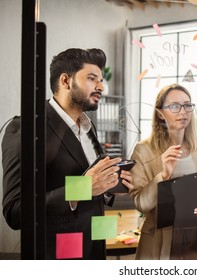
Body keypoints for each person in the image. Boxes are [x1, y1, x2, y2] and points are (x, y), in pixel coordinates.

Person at [2, 48, 133, 259]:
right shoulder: (25, 128)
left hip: (95, 247)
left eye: (100, 80)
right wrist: (83, 188)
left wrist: (110, 185)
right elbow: (15, 211)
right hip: (58, 255)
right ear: (65, 81)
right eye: (92, 79)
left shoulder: (89, 127)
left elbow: (89, 185)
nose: (101, 86)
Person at [130, 84, 197, 260]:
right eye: (174, 106)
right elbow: (141, 203)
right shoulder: (143, 150)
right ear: (159, 113)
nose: (183, 111)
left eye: (187, 105)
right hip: (159, 240)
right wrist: (162, 176)